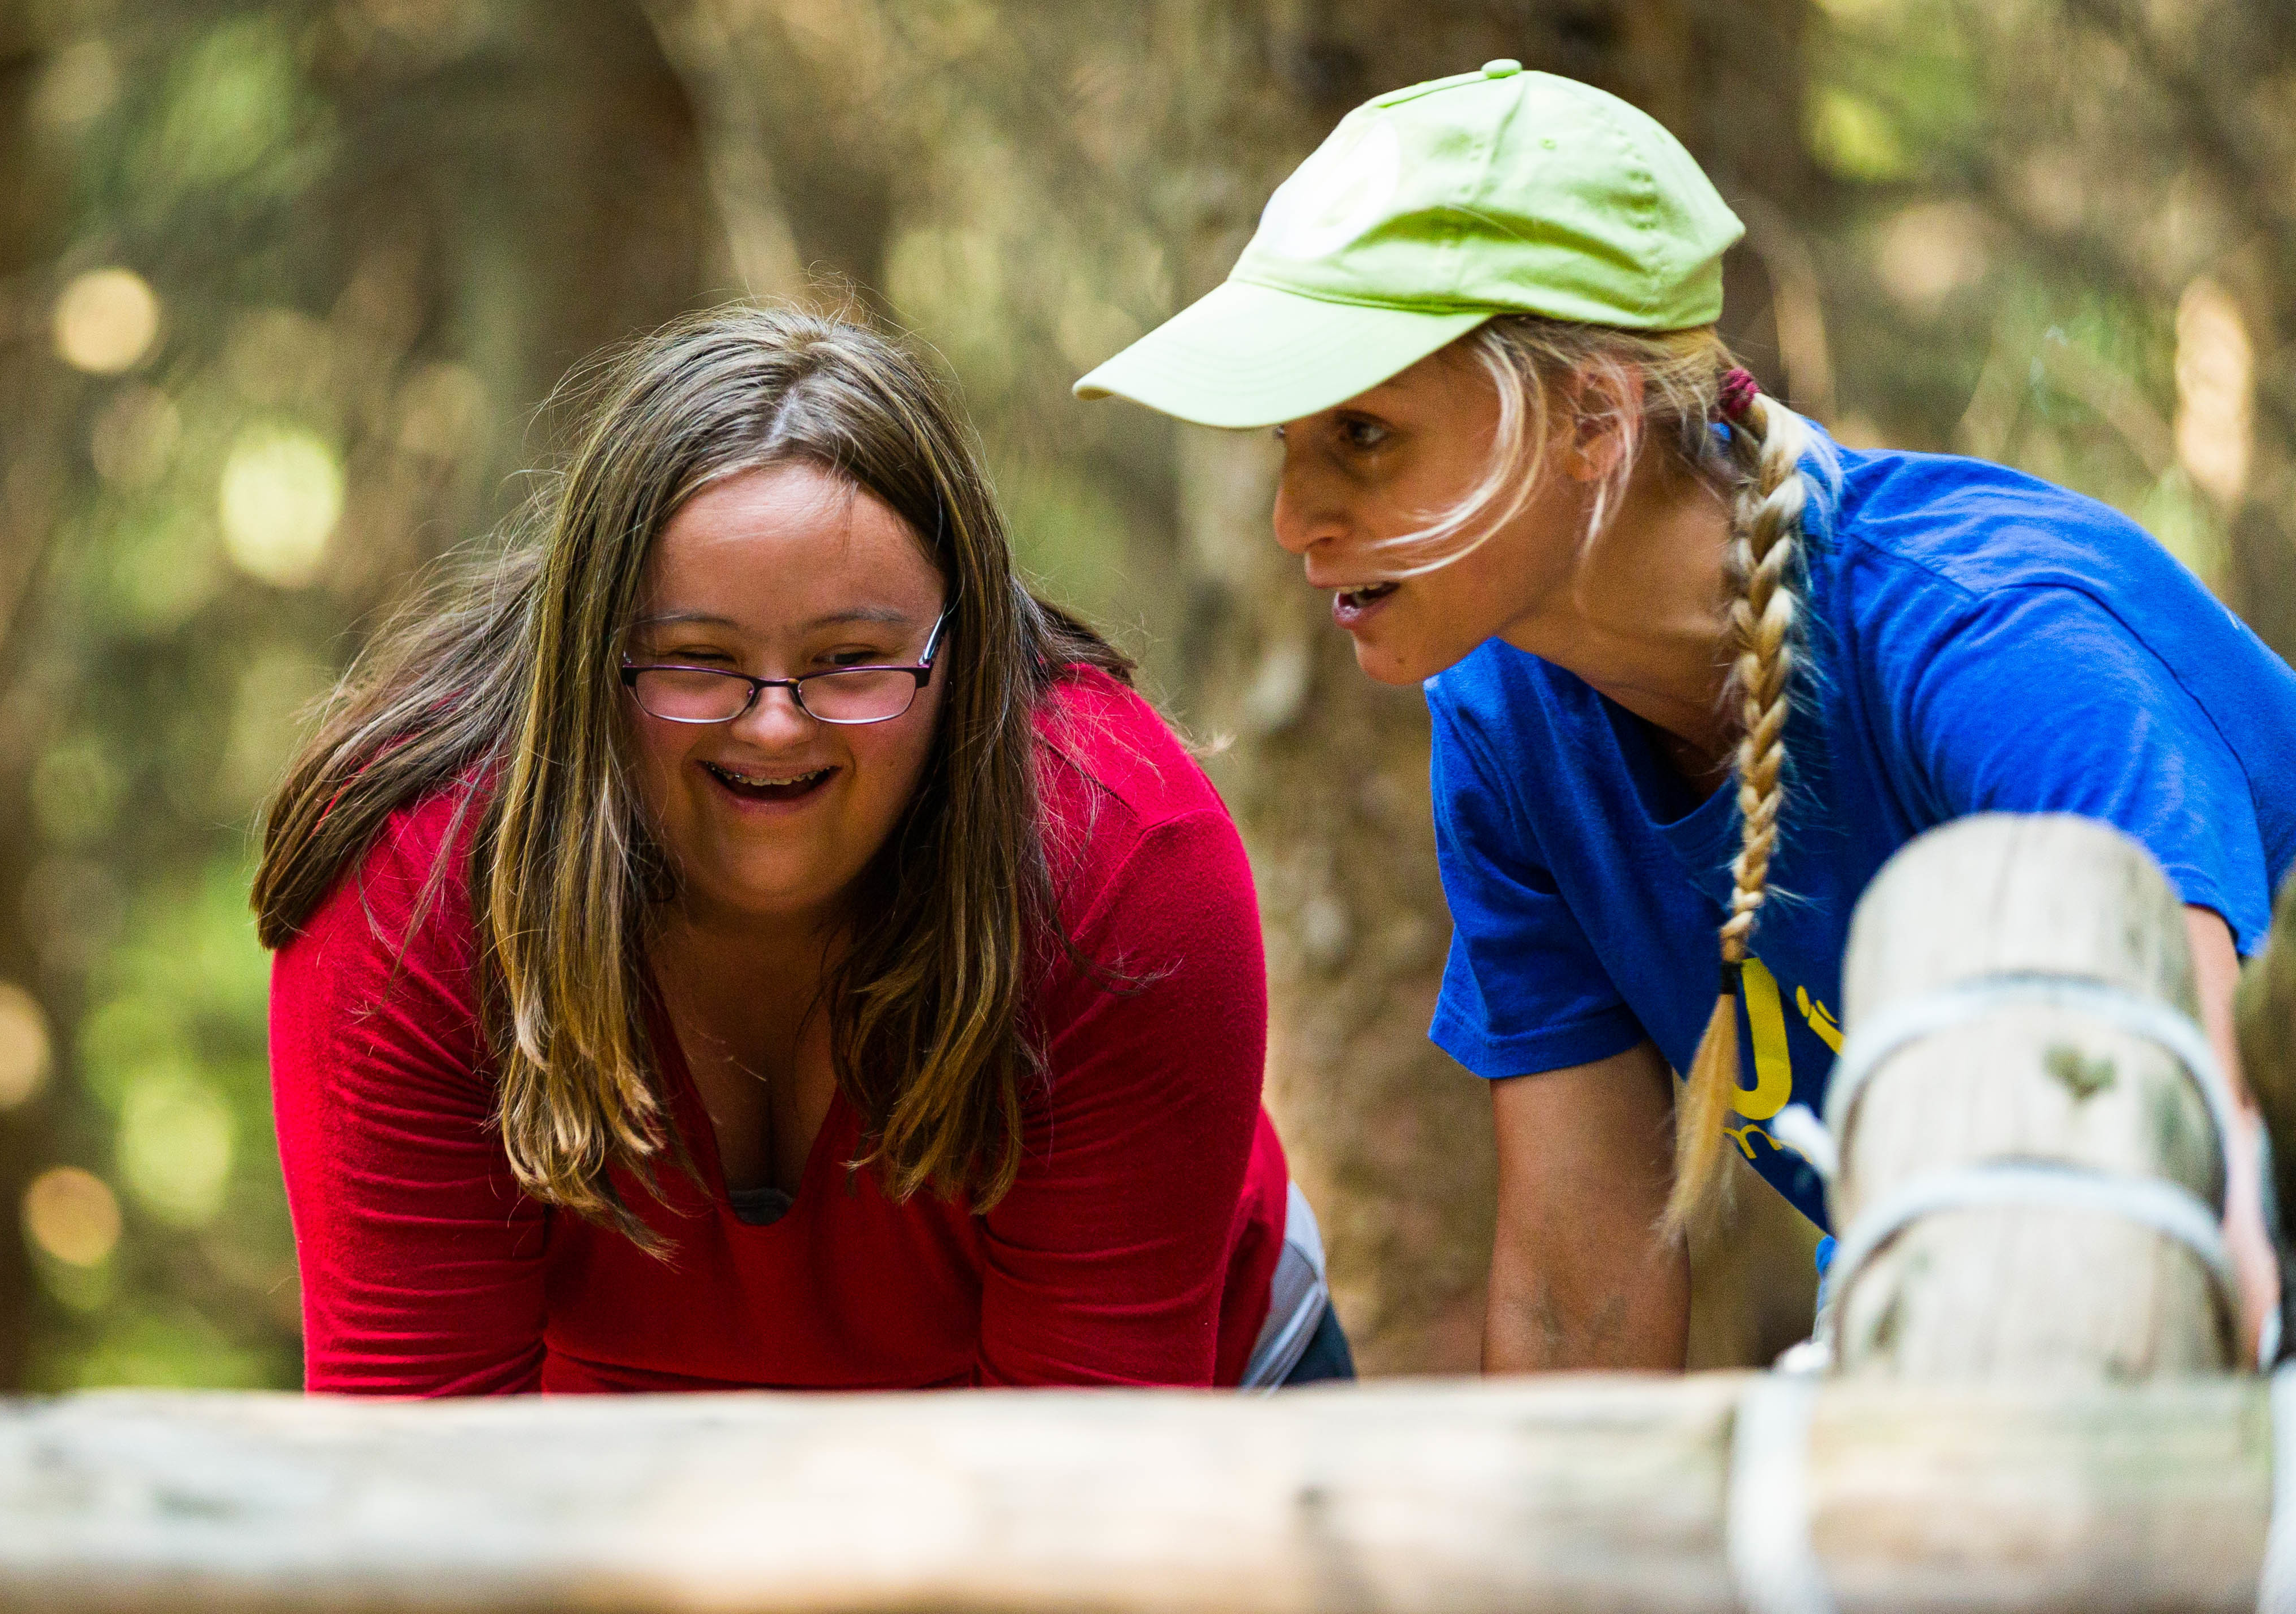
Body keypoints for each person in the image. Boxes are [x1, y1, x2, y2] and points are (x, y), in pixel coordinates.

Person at [1074, 60, 2296, 1371]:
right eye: (1287, 448)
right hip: (1970, 1306)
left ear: (1590, 417)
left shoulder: (1991, 634)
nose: (1293, 521)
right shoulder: (1503, 723)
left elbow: (2181, 1182)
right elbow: (1573, 1300)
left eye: (1365, 436)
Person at [254, 306, 1348, 1393]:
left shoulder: (1123, 862)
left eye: (852, 660)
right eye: (693, 659)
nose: (774, 724)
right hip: (614, 1460)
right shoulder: (415, 881)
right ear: (589, 655)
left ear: (963, 653)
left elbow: (1088, 1502)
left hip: (1165, 1413)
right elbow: (425, 1480)